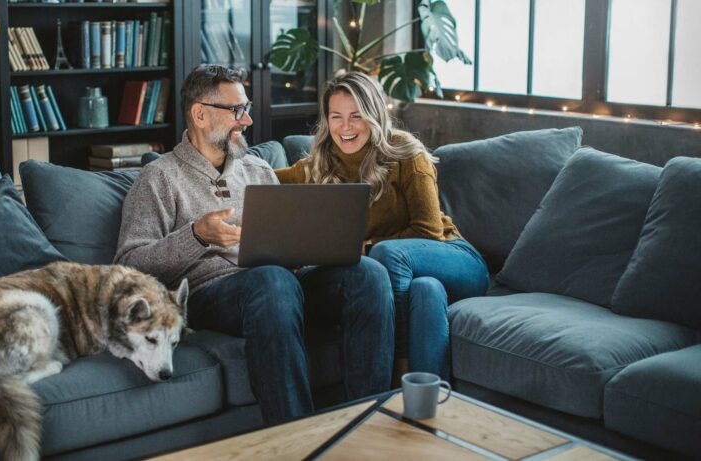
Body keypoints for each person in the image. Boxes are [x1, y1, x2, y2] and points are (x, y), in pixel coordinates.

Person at [114, 65, 394, 424]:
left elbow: (287, 245)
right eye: (236, 111)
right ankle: (296, 438)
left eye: (246, 109)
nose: (246, 121)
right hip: (211, 294)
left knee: (367, 273)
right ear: (200, 114)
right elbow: (129, 265)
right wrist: (197, 235)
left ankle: (368, 425)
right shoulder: (158, 178)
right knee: (271, 280)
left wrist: (318, 249)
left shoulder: (258, 170)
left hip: (280, 284)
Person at [275, 72, 489, 379]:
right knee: (425, 291)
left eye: (356, 116)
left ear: (374, 115)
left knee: (388, 254)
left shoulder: (405, 152)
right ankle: (428, 402)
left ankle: (395, 368)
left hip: (454, 258)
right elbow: (263, 181)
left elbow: (429, 231)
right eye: (336, 116)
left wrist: (369, 246)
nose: (345, 127)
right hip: (415, 277)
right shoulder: (318, 164)